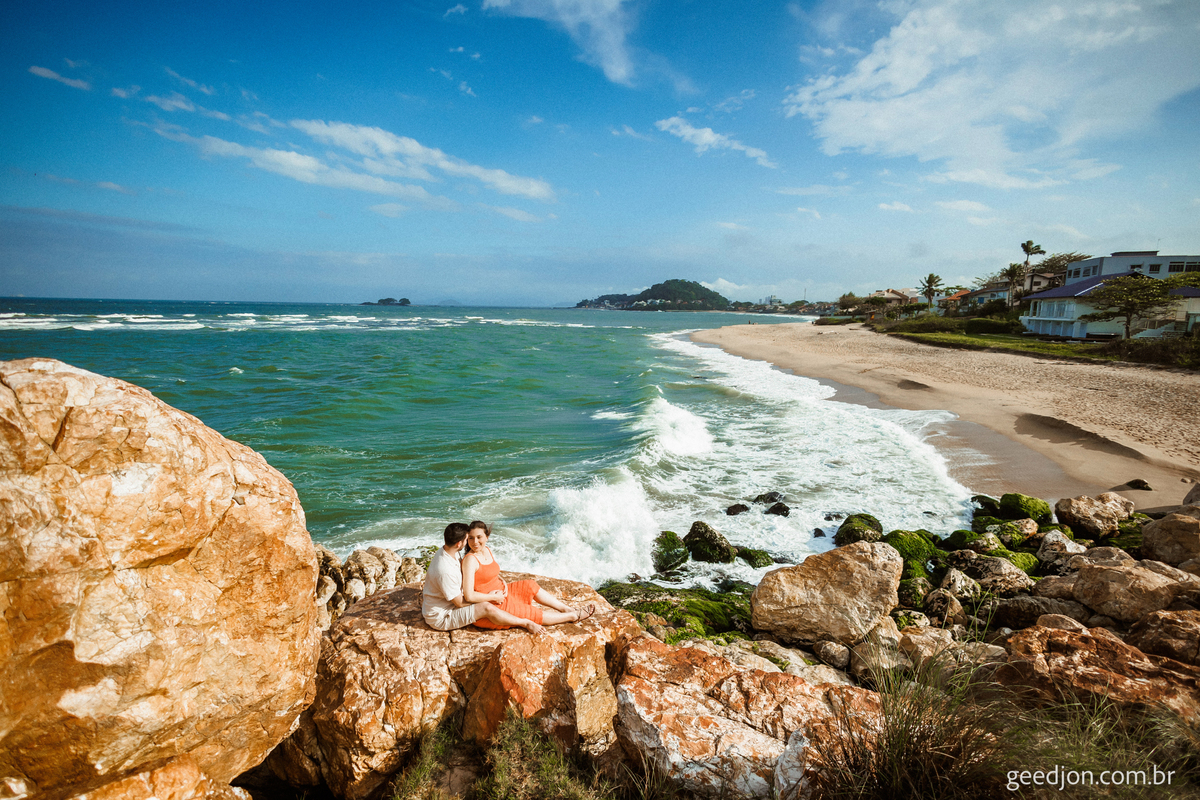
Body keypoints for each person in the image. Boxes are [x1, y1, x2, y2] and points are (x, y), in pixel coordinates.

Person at [460, 520, 595, 629]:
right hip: (491, 606)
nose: (475, 542)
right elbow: (469, 595)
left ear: (487, 537)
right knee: (531, 613)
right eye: (471, 538)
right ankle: (573, 616)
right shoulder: (470, 560)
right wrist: (493, 597)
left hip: (501, 593)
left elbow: (490, 573)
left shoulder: (486, 550)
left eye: (479, 537)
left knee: (530, 585)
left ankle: (566, 609)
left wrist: (503, 583)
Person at [422, 522, 546, 634]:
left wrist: (499, 582)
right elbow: (460, 603)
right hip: (443, 616)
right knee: (486, 607)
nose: (471, 542)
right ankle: (525, 623)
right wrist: (492, 597)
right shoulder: (445, 570)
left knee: (527, 587)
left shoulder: (449, 551)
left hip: (450, 603)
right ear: (459, 543)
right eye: (468, 538)